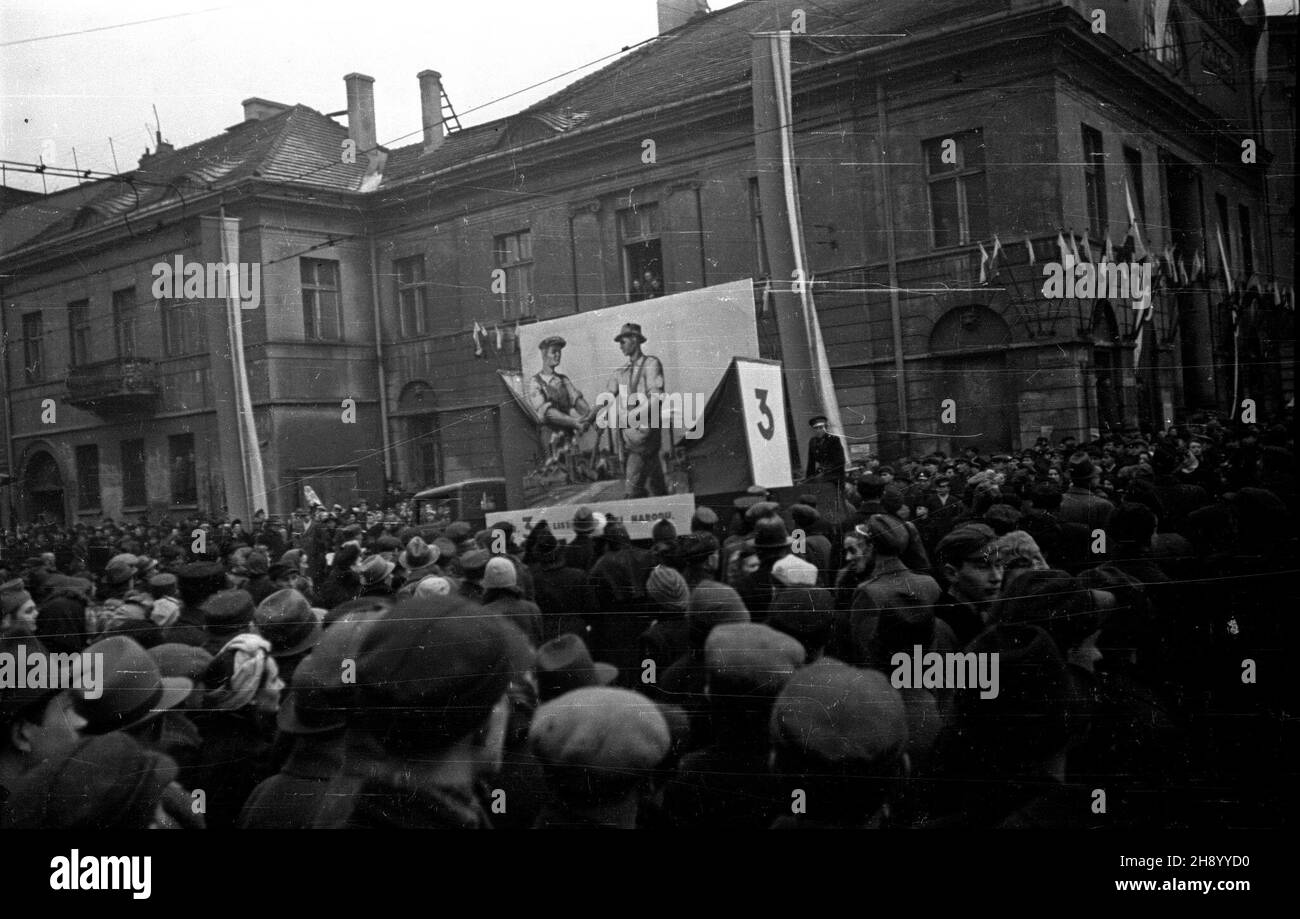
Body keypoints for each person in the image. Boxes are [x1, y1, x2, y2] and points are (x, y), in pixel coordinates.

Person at [605, 323, 669, 498]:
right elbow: (609, 394)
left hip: (646, 438)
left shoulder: (651, 364)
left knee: (632, 492)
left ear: (635, 340)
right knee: (657, 488)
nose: (620, 346)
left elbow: (657, 398)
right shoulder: (623, 372)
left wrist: (630, 417)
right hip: (634, 441)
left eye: (623, 341)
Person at [805, 415, 846, 482]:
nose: (818, 430)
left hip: (835, 473)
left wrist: (825, 471)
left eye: (821, 427)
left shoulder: (833, 439)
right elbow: (811, 462)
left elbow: (840, 460)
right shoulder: (813, 442)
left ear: (826, 428)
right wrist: (808, 478)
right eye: (816, 428)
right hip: (821, 473)